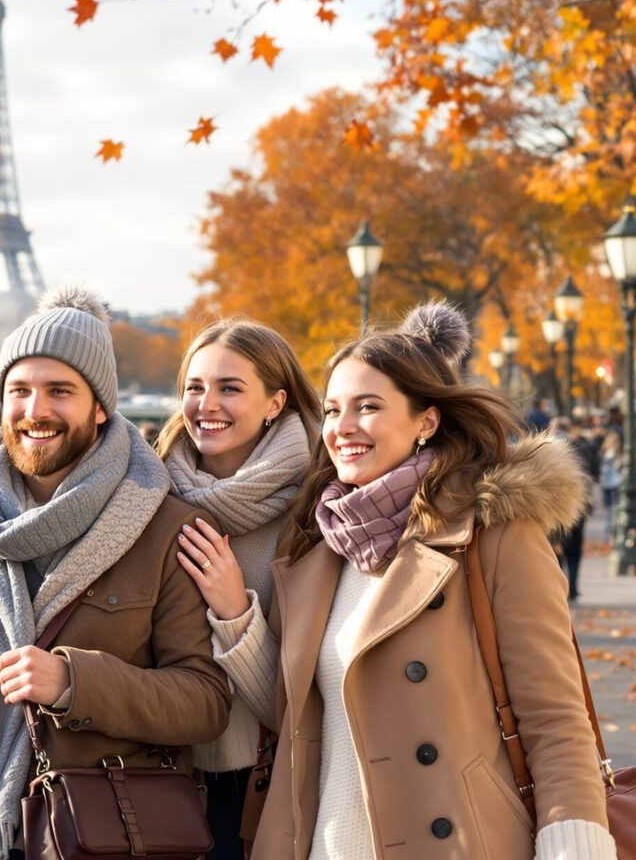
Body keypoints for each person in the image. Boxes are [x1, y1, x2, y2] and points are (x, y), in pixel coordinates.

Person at [248, 302, 613, 859]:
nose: (343, 428)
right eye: (332, 410)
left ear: (426, 420)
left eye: (368, 407)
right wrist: (235, 623)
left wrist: (575, 849)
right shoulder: (314, 548)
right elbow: (294, 718)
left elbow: (557, 723)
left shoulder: (494, 536)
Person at [0, 286, 229, 860]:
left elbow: (205, 701)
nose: (35, 411)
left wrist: (74, 683)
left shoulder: (164, 525)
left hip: (89, 830)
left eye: (59, 391)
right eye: (18, 391)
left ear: (99, 407)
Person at [160, 320, 321, 859]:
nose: (207, 404)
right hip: (151, 777)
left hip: (261, 788)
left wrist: (234, 614)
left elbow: (306, 707)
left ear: (276, 402)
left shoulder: (318, 511)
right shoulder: (145, 492)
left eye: (230, 388)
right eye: (195, 387)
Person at [550, 417, 595, 602]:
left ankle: (560, 587)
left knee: (554, 549)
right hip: (578, 506)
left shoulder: (546, 450)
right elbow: (590, 476)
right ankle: (574, 586)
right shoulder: (579, 449)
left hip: (554, 509)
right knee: (574, 549)